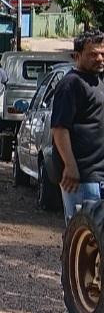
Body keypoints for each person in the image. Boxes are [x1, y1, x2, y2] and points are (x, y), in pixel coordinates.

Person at [49, 30, 104, 222]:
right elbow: (59, 128)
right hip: (82, 179)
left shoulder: (98, 81)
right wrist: (70, 166)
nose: (99, 58)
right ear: (77, 56)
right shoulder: (70, 84)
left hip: (99, 177)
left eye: (102, 54)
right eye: (93, 54)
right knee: (84, 242)